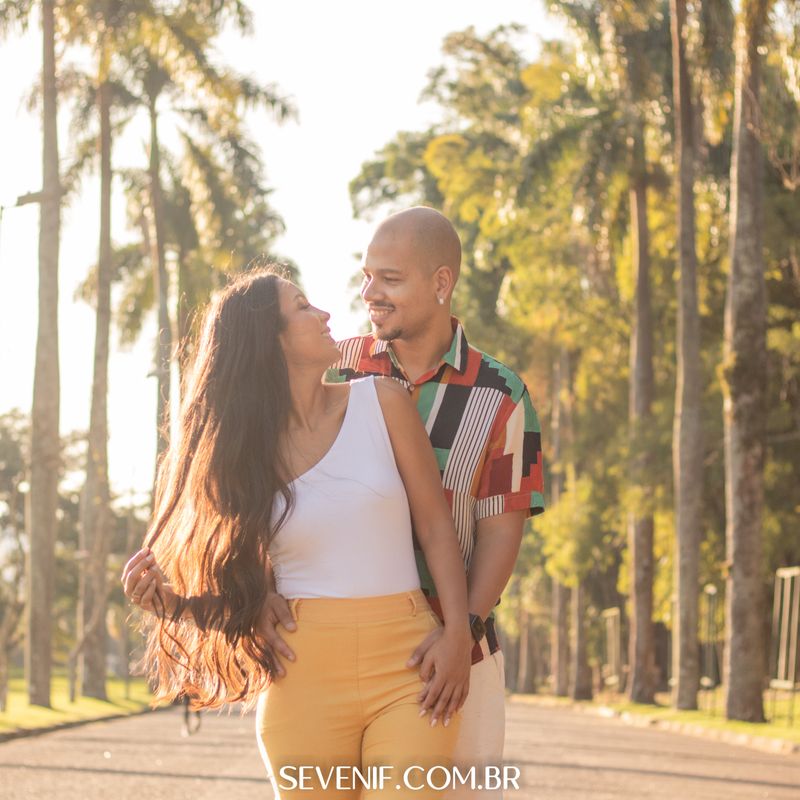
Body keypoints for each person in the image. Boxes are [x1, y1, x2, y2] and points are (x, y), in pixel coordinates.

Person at [122, 268, 473, 799]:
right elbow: (240, 599)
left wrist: (457, 633)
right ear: (272, 341)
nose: (326, 314)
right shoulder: (243, 459)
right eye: (304, 307)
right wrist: (167, 604)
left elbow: (435, 526)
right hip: (302, 676)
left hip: (409, 668)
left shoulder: (383, 402)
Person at [260, 207, 545, 798]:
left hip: (456, 656)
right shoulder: (331, 363)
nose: (370, 293)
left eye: (389, 279)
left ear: (441, 284)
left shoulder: (501, 395)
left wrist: (459, 632)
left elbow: (500, 532)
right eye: (367, 277)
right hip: (329, 648)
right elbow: (262, 482)